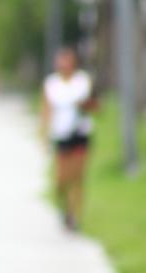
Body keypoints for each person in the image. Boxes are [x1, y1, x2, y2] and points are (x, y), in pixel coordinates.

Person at [41, 47, 96, 231]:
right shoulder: (52, 84)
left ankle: (75, 217)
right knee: (61, 180)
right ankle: (65, 208)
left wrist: (84, 105)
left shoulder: (83, 81)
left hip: (80, 133)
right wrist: (45, 135)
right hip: (61, 135)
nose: (64, 64)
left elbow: (94, 105)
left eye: (68, 60)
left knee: (77, 178)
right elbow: (46, 110)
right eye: (61, 61)